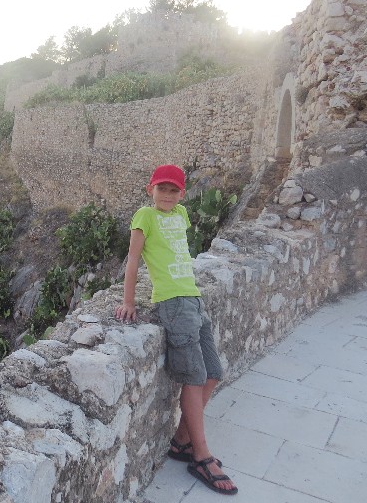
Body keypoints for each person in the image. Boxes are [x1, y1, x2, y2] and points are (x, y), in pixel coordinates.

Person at [114, 164, 237, 495]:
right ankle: (201, 456)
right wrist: (128, 302)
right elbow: (133, 260)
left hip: (193, 298)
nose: (167, 195)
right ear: (150, 190)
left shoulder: (181, 214)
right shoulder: (145, 216)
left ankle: (182, 440)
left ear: (182, 194)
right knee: (194, 377)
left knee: (213, 373)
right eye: (162, 189)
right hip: (172, 302)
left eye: (173, 190)